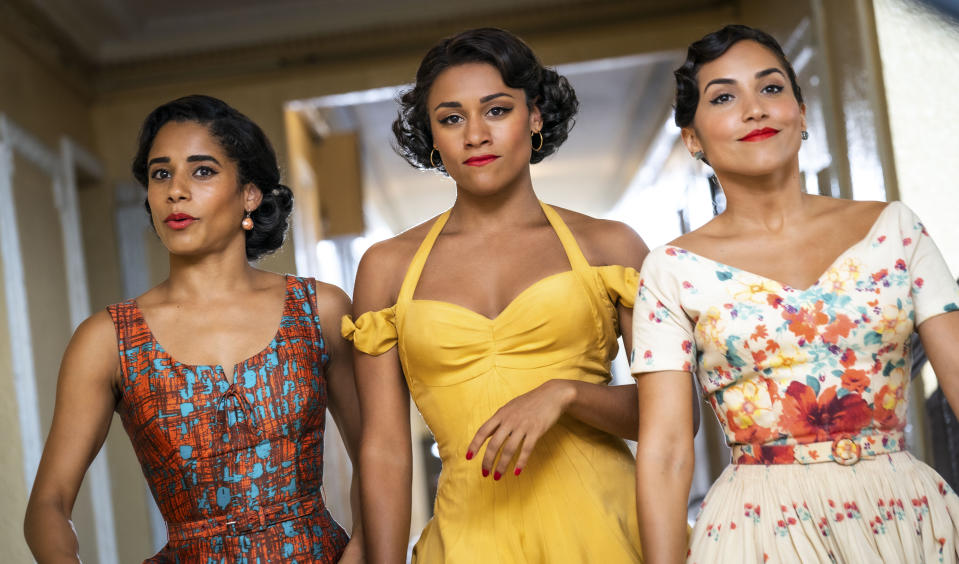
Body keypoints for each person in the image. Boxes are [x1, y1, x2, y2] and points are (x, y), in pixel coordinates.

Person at [632, 24, 959, 563]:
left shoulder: (896, 230)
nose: (754, 109)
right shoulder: (671, 270)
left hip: (905, 519)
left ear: (801, 114)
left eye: (771, 88)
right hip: (758, 533)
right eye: (724, 97)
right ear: (693, 138)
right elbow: (666, 452)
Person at [342, 27, 648, 562]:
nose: (475, 135)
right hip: (467, 539)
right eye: (452, 118)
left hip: (606, 527)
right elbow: (385, 450)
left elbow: (674, 414)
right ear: (433, 137)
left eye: (497, 110)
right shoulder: (387, 268)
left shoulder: (608, 244)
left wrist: (566, 392)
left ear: (534, 117)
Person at [23, 95, 363, 563]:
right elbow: (47, 504)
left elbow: (377, 461)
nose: (175, 191)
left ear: (250, 193)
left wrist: (365, 552)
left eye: (202, 171)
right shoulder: (107, 340)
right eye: (161, 173)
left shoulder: (318, 310)